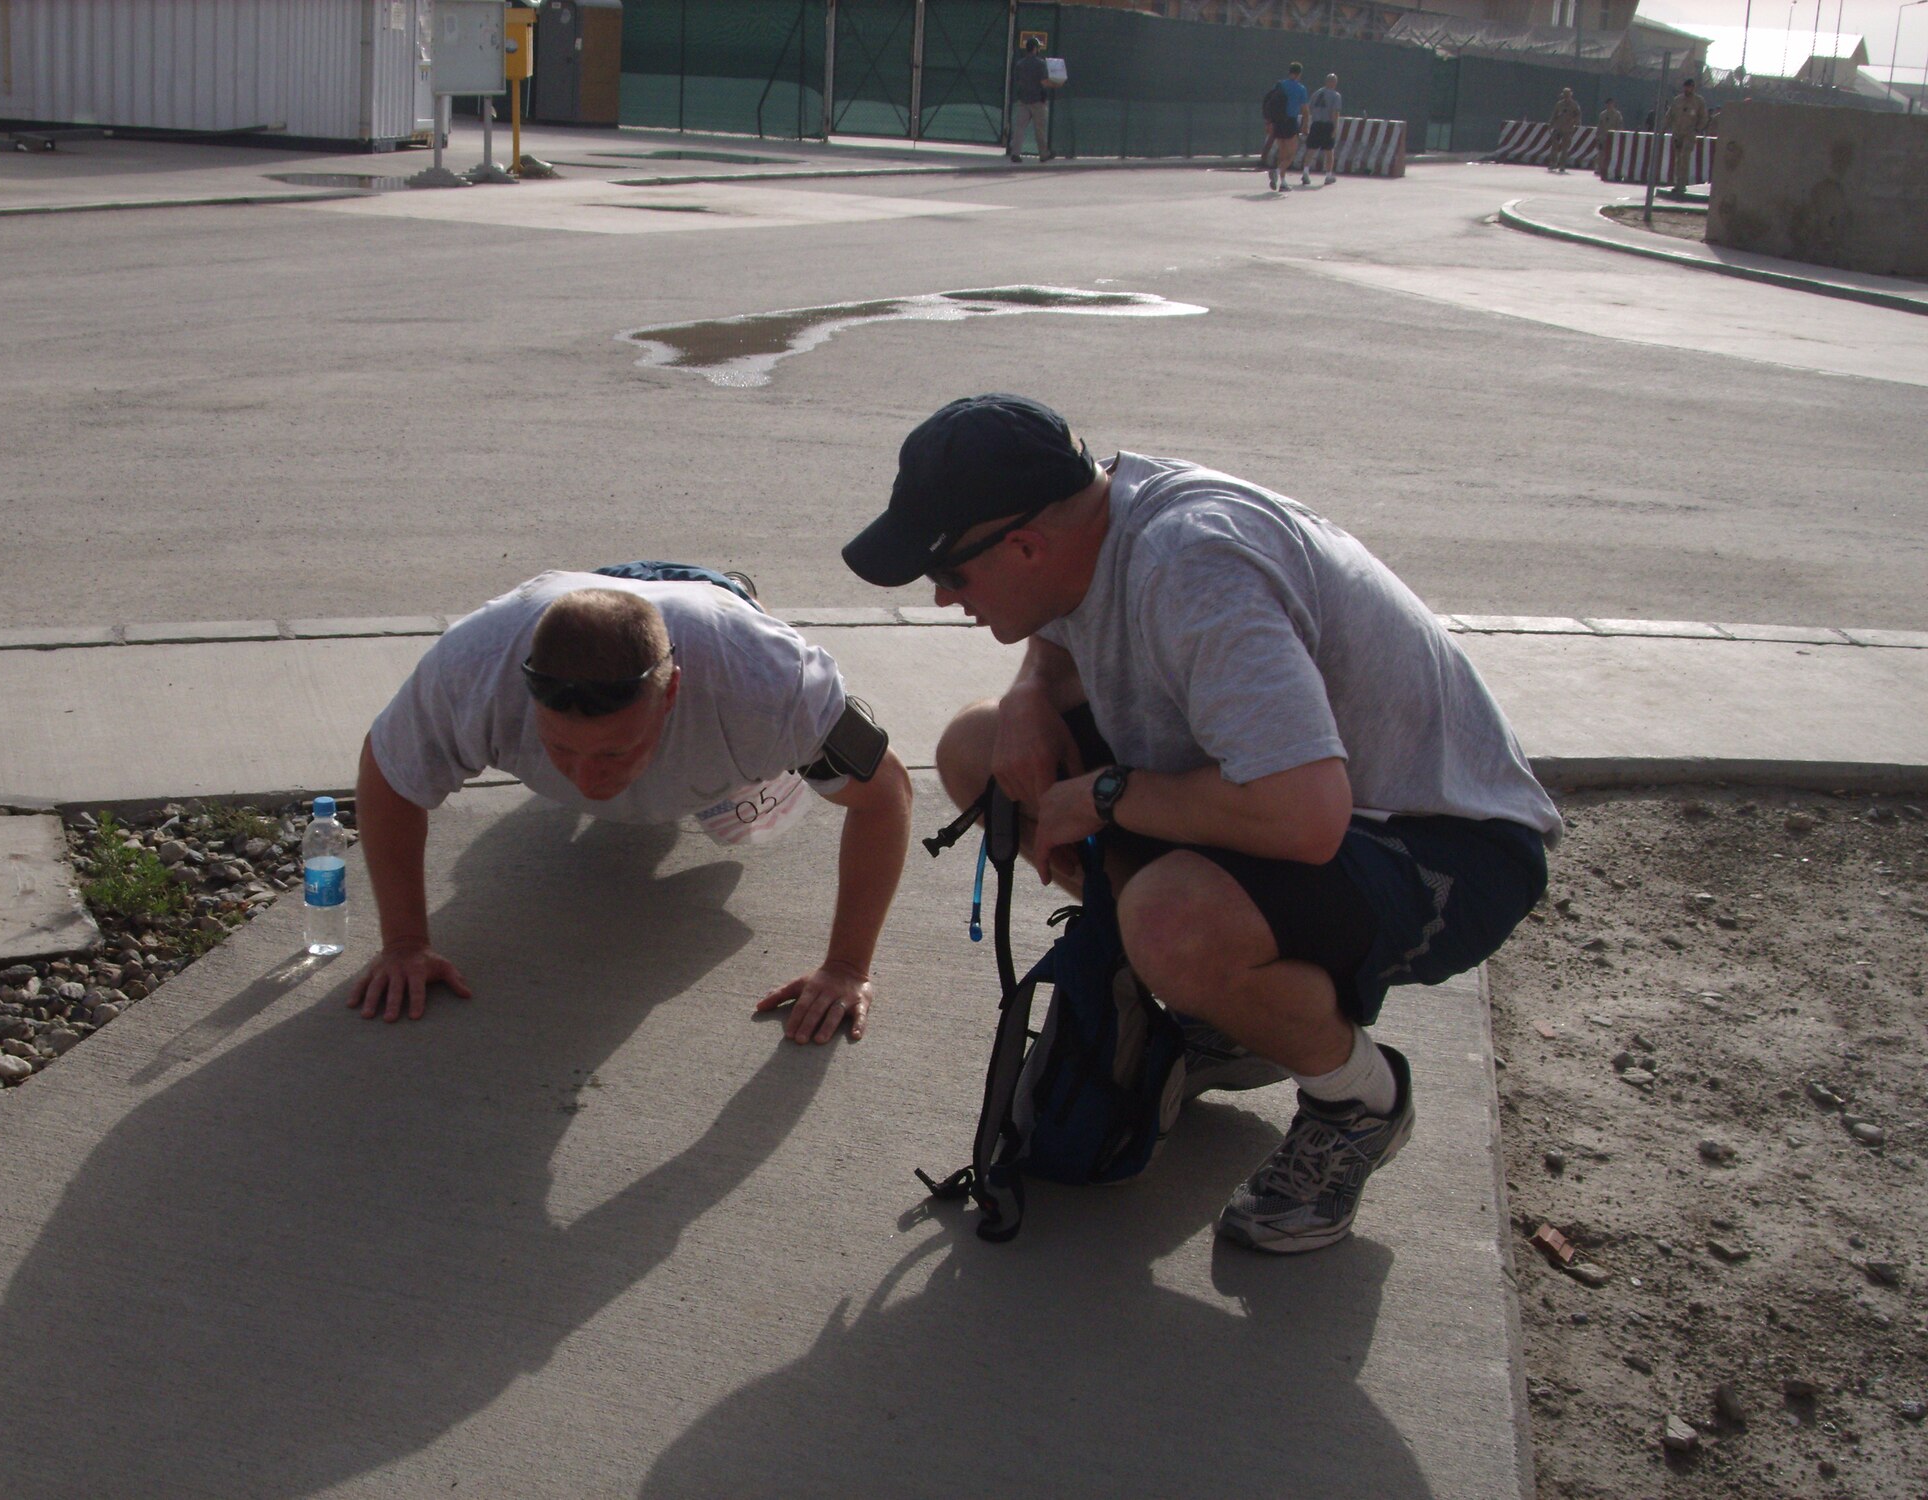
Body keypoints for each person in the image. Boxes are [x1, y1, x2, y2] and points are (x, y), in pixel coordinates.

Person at [842, 395, 1559, 1254]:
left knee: (1170, 923)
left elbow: (1305, 816)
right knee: (979, 749)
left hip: (1446, 847)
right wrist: (1032, 694)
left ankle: (1357, 1100)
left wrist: (1104, 794)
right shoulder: (1096, 514)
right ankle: (1230, 1008)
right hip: (1304, 804)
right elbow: (1064, 620)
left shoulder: (1194, 570)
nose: (940, 598)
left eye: (951, 575)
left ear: (1024, 545)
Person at [348, 566, 913, 1044]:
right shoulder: (471, 671)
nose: (587, 780)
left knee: (724, 799)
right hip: (579, 596)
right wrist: (405, 942)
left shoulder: (768, 683)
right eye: (560, 749)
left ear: (671, 693)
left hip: (711, 610)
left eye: (614, 752)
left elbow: (886, 795)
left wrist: (847, 966)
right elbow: (388, 773)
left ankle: (735, 588)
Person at [1007, 38, 1056, 164]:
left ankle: (1015, 153)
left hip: (1023, 100)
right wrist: (1055, 83)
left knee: (1020, 128)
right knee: (1039, 129)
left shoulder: (1020, 64)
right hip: (1037, 100)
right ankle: (1043, 154)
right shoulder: (1041, 64)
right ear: (1035, 48)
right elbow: (1044, 82)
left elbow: (1017, 81)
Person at [1265, 62, 1310, 192]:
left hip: (1278, 122)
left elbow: (1271, 103)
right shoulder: (1301, 89)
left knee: (1282, 153)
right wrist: (1305, 126)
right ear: (1299, 74)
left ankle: (1283, 182)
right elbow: (1305, 110)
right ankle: (1276, 172)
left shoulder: (1280, 85)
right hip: (1290, 122)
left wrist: (1269, 122)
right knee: (1291, 155)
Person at [1664, 77, 1709, 194]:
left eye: (1690, 87)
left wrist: (1697, 129)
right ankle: (1677, 182)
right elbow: (1670, 115)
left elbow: (1704, 117)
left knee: (1685, 157)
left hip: (1689, 134)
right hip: (1677, 134)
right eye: (1686, 87)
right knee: (1678, 159)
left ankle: (1682, 183)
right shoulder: (1677, 100)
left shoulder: (1698, 101)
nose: (1688, 89)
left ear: (1693, 88)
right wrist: (1664, 128)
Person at [1305, 73, 1343, 185]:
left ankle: (1305, 173)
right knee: (1329, 151)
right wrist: (1335, 127)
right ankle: (1328, 175)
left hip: (1316, 124)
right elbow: (1335, 113)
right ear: (1334, 83)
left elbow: (1309, 108)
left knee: (1311, 149)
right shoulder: (1336, 96)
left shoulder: (1317, 93)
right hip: (1327, 125)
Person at [1546, 87, 1581, 173]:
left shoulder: (1574, 105)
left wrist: (1574, 122)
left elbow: (1578, 116)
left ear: (1570, 95)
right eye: (1565, 95)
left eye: (1567, 95)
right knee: (1554, 146)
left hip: (1568, 129)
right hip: (1558, 127)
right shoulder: (1559, 104)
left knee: (1565, 148)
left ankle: (1562, 164)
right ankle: (1553, 163)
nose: (1566, 96)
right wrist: (1551, 124)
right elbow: (1554, 115)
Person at [1593, 97, 1623, 177]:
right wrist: (1597, 136)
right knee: (1601, 153)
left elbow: (1619, 126)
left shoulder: (1617, 114)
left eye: (1611, 103)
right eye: (1608, 104)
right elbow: (1600, 126)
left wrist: (1618, 135)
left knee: (1611, 153)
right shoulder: (1603, 114)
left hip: (1613, 137)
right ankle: (1599, 168)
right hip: (1603, 136)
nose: (1609, 105)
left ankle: (1609, 168)